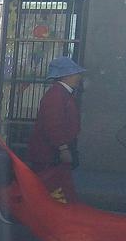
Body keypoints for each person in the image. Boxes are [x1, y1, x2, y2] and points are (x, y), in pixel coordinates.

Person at [27, 56, 86, 204]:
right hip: (49, 154)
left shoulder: (60, 93)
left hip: (51, 153)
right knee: (53, 194)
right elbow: (54, 124)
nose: (78, 77)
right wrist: (63, 148)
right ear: (66, 76)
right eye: (75, 73)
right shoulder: (57, 95)